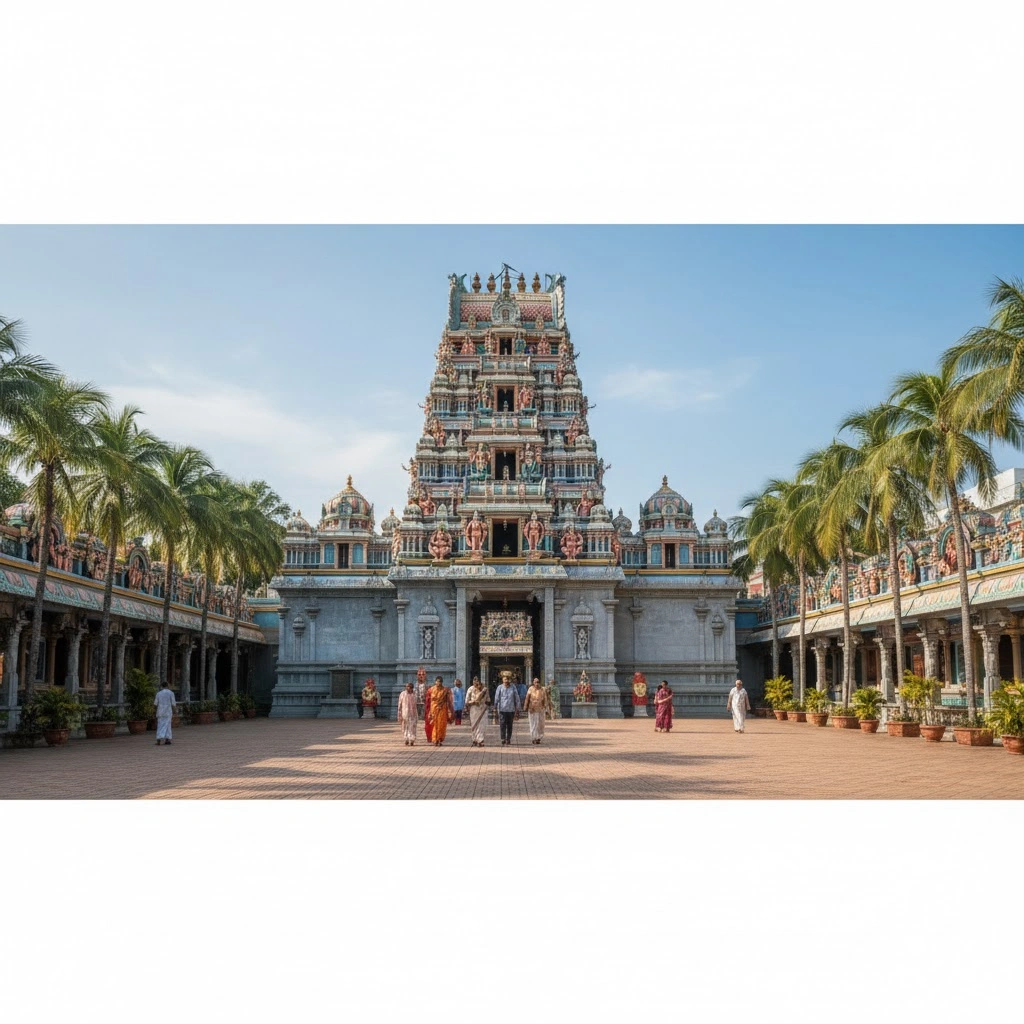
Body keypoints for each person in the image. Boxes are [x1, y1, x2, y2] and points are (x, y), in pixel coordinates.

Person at [494, 673, 521, 745]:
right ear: (502, 680)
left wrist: (517, 708)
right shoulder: (500, 687)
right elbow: (496, 698)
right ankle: (503, 738)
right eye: (505, 679)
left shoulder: (513, 687)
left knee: (510, 725)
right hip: (502, 709)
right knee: (502, 724)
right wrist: (495, 708)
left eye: (508, 679)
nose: (506, 680)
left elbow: (517, 697)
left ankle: (508, 738)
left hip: (511, 709)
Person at [429, 675, 454, 747]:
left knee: (442, 724)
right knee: (435, 724)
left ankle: (439, 739)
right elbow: (430, 700)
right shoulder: (431, 689)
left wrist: (450, 711)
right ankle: (434, 739)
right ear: (435, 682)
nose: (438, 683)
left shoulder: (445, 690)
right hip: (434, 708)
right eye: (437, 681)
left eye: (440, 682)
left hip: (442, 709)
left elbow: (449, 700)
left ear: (442, 682)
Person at [524, 677, 549, 744]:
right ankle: (533, 737)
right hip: (532, 709)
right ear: (533, 683)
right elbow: (527, 698)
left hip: (541, 709)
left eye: (538, 682)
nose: (537, 684)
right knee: (533, 724)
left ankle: (538, 738)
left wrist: (546, 709)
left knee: (540, 724)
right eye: (535, 682)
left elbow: (545, 699)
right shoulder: (530, 689)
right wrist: (525, 706)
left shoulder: (542, 690)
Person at [466, 676, 489, 747]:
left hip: (482, 710)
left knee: (482, 725)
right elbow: (467, 701)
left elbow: (488, 700)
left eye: (477, 680)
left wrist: (484, 701)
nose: (476, 682)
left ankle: (480, 740)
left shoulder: (485, 689)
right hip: (474, 709)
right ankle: (474, 739)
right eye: (474, 680)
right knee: (474, 724)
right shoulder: (470, 689)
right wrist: (473, 702)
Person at [154, 680, 176, 746]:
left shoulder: (158, 693)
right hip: (168, 711)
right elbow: (173, 704)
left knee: (160, 725)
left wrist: (154, 711)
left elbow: (155, 704)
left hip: (160, 711)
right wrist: (175, 711)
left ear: (161, 686)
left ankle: (159, 740)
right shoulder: (171, 693)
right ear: (167, 686)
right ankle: (167, 739)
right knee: (168, 725)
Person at [397, 681, 418, 746]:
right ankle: (406, 739)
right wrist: (399, 713)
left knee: (412, 727)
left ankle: (412, 739)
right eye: (407, 687)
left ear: (412, 688)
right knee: (405, 727)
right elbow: (399, 704)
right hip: (404, 713)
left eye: (409, 687)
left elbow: (418, 703)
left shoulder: (415, 694)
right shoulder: (402, 694)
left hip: (413, 714)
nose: (408, 688)